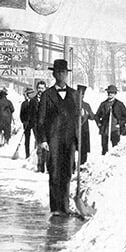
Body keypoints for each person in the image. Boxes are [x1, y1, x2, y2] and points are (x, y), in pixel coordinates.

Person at [35, 59, 84, 216]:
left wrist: (79, 140)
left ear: (67, 74)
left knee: (67, 172)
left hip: (69, 140)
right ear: (54, 74)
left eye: (64, 72)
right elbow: (40, 120)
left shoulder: (75, 95)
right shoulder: (47, 95)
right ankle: (56, 208)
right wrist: (42, 140)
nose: (61, 75)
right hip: (53, 140)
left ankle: (65, 206)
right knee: (55, 172)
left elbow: (78, 120)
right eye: (58, 72)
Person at [96, 84, 126, 154]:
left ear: (115, 94)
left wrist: (120, 123)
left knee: (115, 148)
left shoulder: (119, 104)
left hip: (115, 130)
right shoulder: (103, 104)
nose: (110, 94)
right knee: (104, 149)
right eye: (108, 92)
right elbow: (96, 116)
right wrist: (99, 124)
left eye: (112, 93)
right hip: (105, 130)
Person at [20, 80, 45, 161]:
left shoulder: (48, 99)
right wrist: (28, 122)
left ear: (45, 88)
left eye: (42, 88)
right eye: (39, 88)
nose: (40, 90)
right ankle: (38, 161)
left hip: (46, 124)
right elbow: (30, 113)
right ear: (37, 89)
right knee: (38, 141)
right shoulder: (33, 101)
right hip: (36, 124)